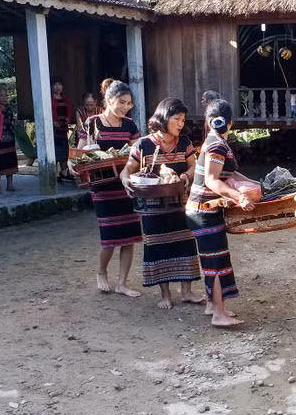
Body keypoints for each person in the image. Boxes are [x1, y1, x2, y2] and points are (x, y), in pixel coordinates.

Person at [120, 98, 204, 309]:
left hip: (179, 203)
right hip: (152, 208)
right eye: (177, 119)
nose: (180, 124)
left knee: (185, 243)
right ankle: (165, 294)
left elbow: (194, 167)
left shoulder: (184, 142)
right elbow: (128, 169)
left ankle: (187, 291)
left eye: (183, 120)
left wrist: (185, 175)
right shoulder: (144, 144)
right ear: (165, 118)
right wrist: (125, 180)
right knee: (158, 246)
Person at [185, 99, 257, 327]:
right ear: (231, 123)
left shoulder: (215, 142)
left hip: (204, 210)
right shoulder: (216, 145)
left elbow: (232, 176)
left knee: (215, 258)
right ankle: (218, 313)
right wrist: (240, 196)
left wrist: (259, 185)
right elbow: (212, 180)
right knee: (215, 261)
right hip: (203, 211)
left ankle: (211, 305)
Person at [76, 79, 143, 297]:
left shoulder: (130, 125)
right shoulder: (93, 122)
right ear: (109, 100)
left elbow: (138, 152)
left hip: (126, 185)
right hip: (102, 187)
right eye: (122, 102)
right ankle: (101, 271)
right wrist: (73, 162)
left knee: (130, 236)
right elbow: (81, 151)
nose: (126, 107)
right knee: (110, 235)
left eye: (129, 103)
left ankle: (122, 283)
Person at [51, 76, 73, 182]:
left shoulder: (66, 99)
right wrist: (52, 121)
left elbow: (69, 111)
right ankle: (54, 173)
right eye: (55, 85)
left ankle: (64, 172)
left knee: (64, 150)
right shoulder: (49, 99)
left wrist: (68, 118)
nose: (58, 87)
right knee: (55, 150)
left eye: (59, 85)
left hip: (63, 129)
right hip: (53, 130)